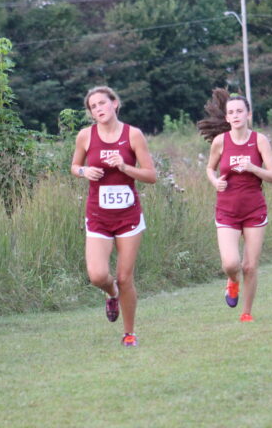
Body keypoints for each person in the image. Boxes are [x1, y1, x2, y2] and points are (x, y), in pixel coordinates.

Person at [71, 86, 157, 348]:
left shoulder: (133, 135)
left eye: (102, 103)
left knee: (124, 276)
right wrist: (85, 171)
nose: (99, 109)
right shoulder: (85, 136)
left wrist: (124, 167)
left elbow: (151, 176)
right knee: (97, 275)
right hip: (97, 214)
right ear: (91, 113)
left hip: (128, 216)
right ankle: (111, 294)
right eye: (93, 106)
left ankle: (128, 332)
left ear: (115, 104)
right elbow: (74, 166)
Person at [199, 89, 272, 322]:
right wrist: (215, 181)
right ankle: (232, 282)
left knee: (250, 267)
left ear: (248, 115)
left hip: (254, 209)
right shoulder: (220, 141)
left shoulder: (259, 140)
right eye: (231, 112)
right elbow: (209, 168)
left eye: (239, 111)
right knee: (231, 263)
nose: (235, 116)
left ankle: (246, 313)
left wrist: (254, 168)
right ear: (226, 118)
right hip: (227, 211)